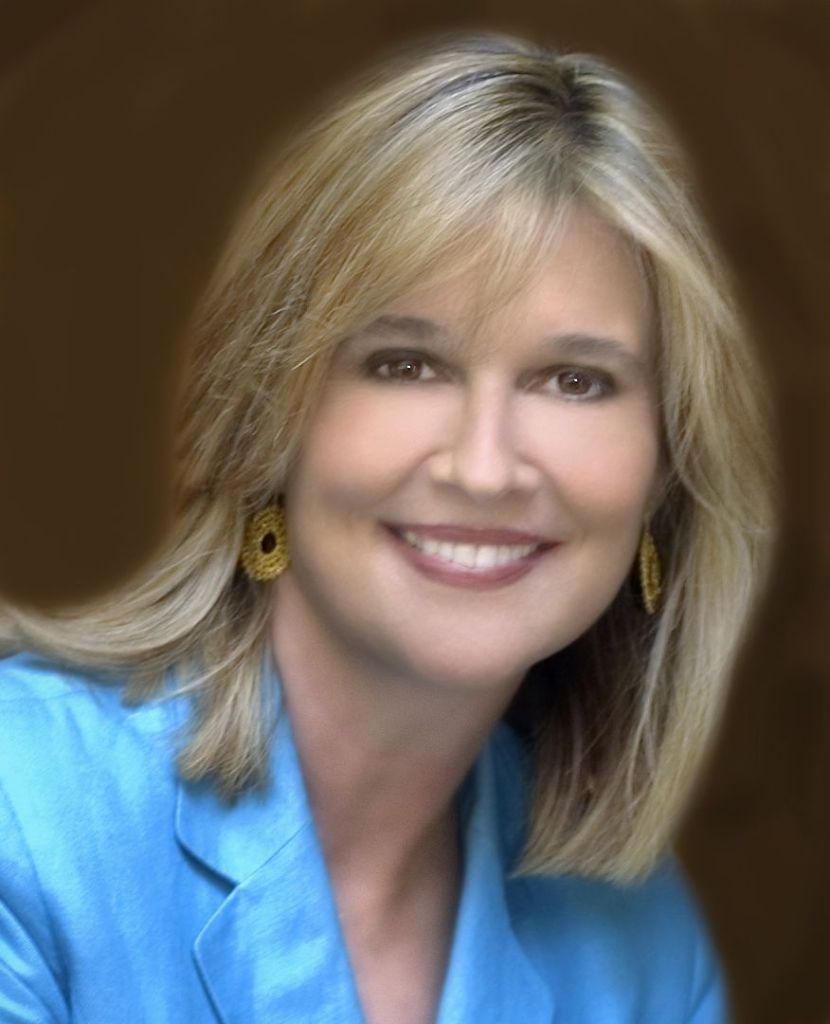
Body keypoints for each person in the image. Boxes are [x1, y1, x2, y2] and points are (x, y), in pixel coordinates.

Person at [0, 30, 772, 1024]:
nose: (483, 468)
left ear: (665, 469)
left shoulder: (640, 951)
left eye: (574, 380)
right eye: (406, 364)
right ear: (269, 421)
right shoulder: (22, 806)